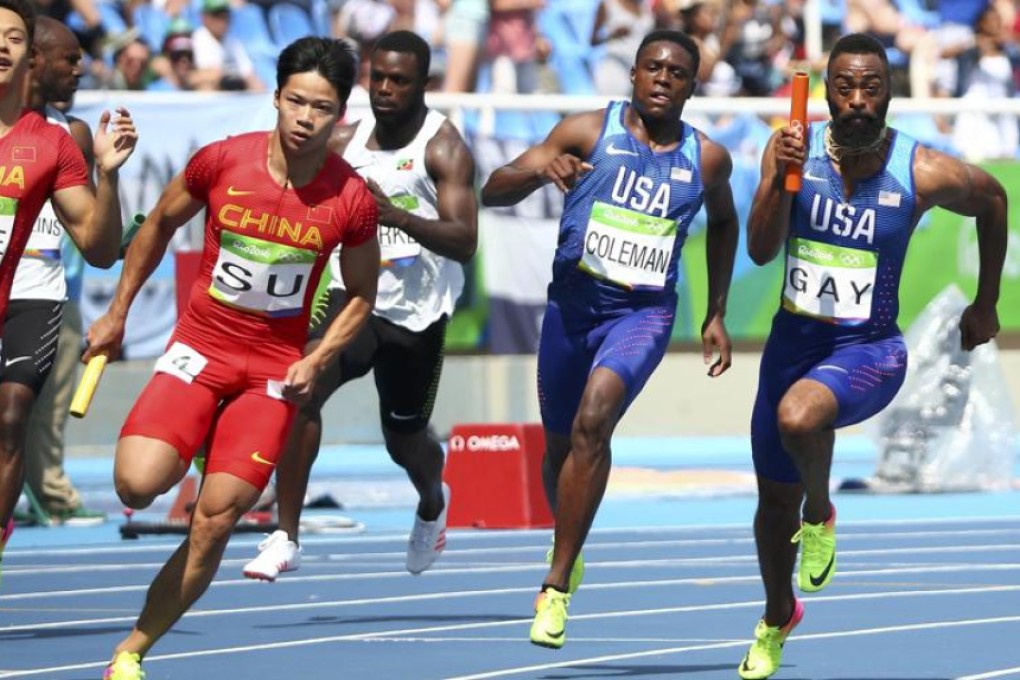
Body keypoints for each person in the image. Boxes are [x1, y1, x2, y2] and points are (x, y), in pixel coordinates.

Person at [89, 37, 380, 680]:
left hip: (272, 371)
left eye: (322, 108)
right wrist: (116, 314)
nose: (305, 118)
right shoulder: (222, 162)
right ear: (275, 98)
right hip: (201, 347)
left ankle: (131, 650)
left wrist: (320, 356)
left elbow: (363, 294)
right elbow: (160, 224)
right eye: (296, 102)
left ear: (340, 115)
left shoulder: (351, 199)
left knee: (215, 520)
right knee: (136, 485)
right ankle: (199, 437)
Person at [739, 33, 1007, 680]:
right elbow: (759, 250)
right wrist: (779, 176)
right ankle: (778, 615)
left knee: (801, 418)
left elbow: (994, 199)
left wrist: (985, 304)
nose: (858, 101)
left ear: (889, 94)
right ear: (827, 92)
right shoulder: (793, 152)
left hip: (870, 351)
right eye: (845, 88)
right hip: (790, 346)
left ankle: (821, 511)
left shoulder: (920, 171)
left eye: (872, 89)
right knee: (769, 509)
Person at [481, 29, 739, 649]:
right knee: (561, 444)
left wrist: (716, 311)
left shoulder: (706, 159)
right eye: (652, 67)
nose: (662, 79)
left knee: (596, 422)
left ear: (691, 86)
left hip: (642, 314)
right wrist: (543, 167)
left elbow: (725, 221)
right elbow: (493, 188)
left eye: (676, 73)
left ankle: (556, 584)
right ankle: (566, 537)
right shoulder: (584, 130)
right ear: (633, 74)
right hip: (572, 309)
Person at [242, 30, 477, 582]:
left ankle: (431, 502)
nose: (386, 90)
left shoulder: (443, 148)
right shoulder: (346, 139)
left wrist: (391, 215)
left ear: (424, 85)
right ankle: (286, 535)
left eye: (400, 81)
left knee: (405, 442)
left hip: (418, 314)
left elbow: (464, 240)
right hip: (356, 298)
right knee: (300, 387)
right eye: (378, 79)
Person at [0, 0, 138, 586]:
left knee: (12, 415)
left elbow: (101, 248)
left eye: (10, 37)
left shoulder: (56, 140)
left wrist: (108, 175)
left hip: (32, 291)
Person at [9, 17, 104, 525]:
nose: (79, 71)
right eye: (69, 60)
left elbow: (87, 223)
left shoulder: (72, 134)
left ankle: (50, 495)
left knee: (37, 408)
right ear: (36, 60)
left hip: (48, 289)